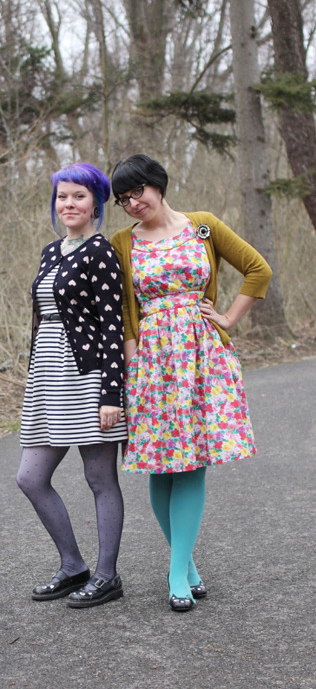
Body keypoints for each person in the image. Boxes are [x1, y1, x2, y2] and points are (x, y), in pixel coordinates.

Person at [110, 154, 272, 612]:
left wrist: (227, 318)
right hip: (152, 361)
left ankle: (177, 571)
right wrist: (129, 353)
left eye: (137, 191)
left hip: (202, 356)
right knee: (161, 464)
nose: (133, 203)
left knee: (193, 459)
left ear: (157, 185)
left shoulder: (202, 226)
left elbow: (258, 269)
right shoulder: (123, 242)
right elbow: (124, 306)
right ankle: (188, 565)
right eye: (123, 199)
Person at [16, 162, 127, 608]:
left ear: (96, 203)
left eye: (79, 196)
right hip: (48, 377)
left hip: (87, 378)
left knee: (99, 478)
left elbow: (112, 327)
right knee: (30, 477)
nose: (69, 204)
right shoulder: (50, 252)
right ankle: (72, 565)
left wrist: (111, 394)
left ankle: (106, 576)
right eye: (63, 196)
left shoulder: (101, 252)